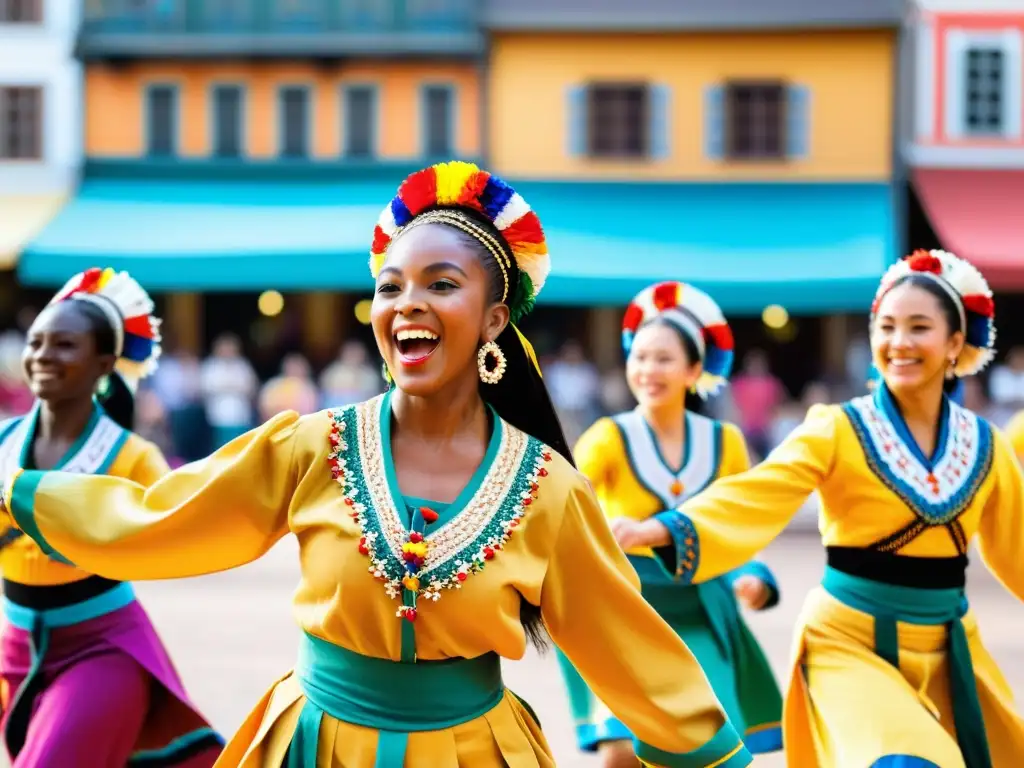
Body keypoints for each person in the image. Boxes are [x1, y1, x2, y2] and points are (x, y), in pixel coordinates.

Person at [0, 163, 755, 767]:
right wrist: (19, 491)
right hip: (315, 745)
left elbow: (629, 647)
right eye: (389, 287)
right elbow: (163, 514)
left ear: (496, 319)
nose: (406, 304)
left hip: (473, 752)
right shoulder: (311, 447)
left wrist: (710, 752)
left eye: (441, 285)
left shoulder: (548, 491)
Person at [611, 249, 1024, 767]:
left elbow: (1019, 551)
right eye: (886, 327)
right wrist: (659, 530)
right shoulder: (837, 427)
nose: (898, 342)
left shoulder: (987, 446)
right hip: (850, 643)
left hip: (949, 648)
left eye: (918, 327)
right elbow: (758, 492)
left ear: (955, 344)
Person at [553, 281, 782, 767]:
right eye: (639, 357)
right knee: (621, 750)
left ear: (694, 370)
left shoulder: (727, 442)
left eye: (663, 359)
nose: (647, 370)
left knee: (707, 746)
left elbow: (741, 523)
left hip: (703, 604)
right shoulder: (607, 437)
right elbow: (564, 505)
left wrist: (751, 575)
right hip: (629, 608)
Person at [0, 268, 222, 766]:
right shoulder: (3, 442)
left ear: (104, 362)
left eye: (64, 344)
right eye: (36, 342)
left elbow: (173, 534)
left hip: (103, 645)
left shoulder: (133, 457)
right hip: (16, 646)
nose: (42, 356)